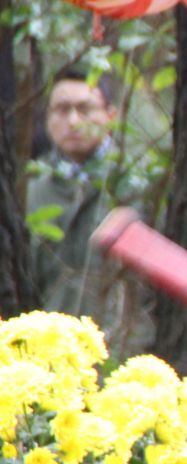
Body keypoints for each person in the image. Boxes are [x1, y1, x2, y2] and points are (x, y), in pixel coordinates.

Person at [26, 66, 127, 328]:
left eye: (85, 109)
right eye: (62, 109)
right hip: (48, 349)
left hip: (128, 356)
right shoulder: (29, 189)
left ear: (110, 116)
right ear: (47, 118)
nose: (73, 121)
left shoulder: (136, 183)